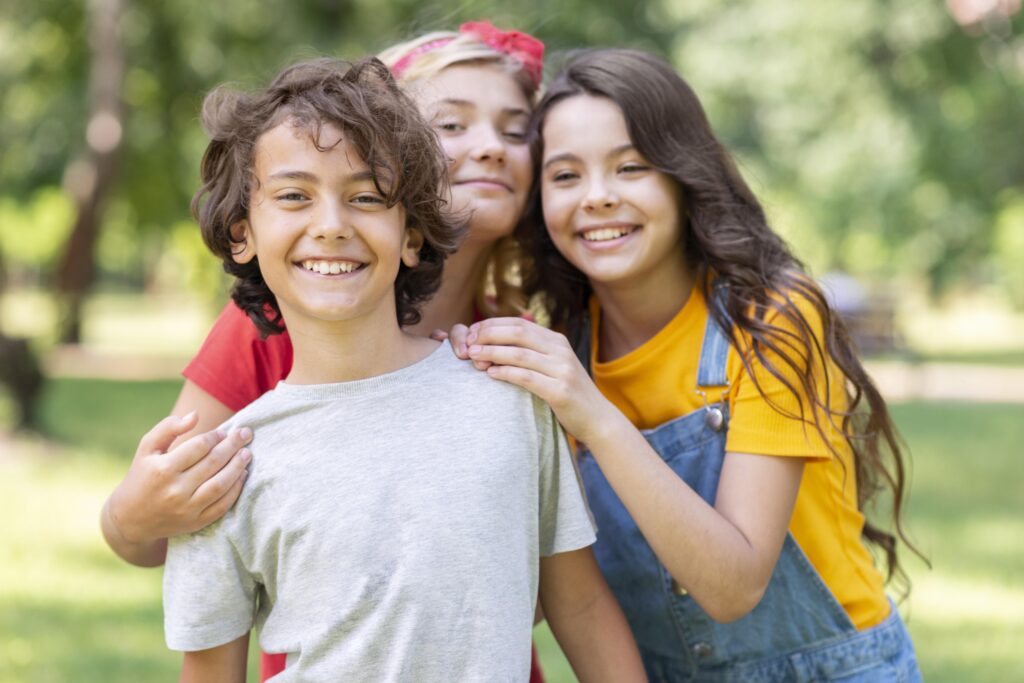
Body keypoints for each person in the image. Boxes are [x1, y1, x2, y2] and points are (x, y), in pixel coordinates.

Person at [162, 56, 644, 682]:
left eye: (366, 197)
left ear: (412, 235)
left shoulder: (509, 401)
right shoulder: (229, 464)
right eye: (292, 196)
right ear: (241, 234)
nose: (331, 225)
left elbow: (577, 603)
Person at [99, 21, 554, 680]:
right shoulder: (270, 322)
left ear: (410, 226)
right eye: (452, 126)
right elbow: (173, 513)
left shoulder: (521, 352)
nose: (488, 147)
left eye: (515, 130)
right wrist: (126, 517)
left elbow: (546, 575)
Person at [451, 49, 923, 681]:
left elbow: (733, 588)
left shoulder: (773, 319)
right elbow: (556, 594)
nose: (597, 197)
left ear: (681, 175)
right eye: (565, 176)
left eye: (631, 167)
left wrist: (594, 417)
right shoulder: (563, 347)